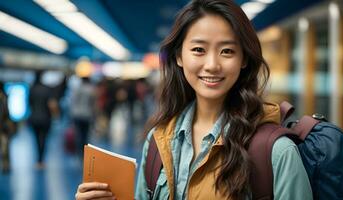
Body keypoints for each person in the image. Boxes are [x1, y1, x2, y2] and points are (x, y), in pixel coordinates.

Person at [75, 0, 312, 199]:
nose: (212, 65)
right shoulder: (158, 141)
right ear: (179, 56)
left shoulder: (275, 152)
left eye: (227, 51)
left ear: (244, 59)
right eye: (199, 50)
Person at [28, 71, 54, 169]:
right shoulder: (47, 89)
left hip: (34, 118)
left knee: (36, 139)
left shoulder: (32, 89)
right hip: (45, 118)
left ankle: (38, 160)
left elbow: (29, 103)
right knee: (43, 139)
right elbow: (51, 104)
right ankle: (41, 160)